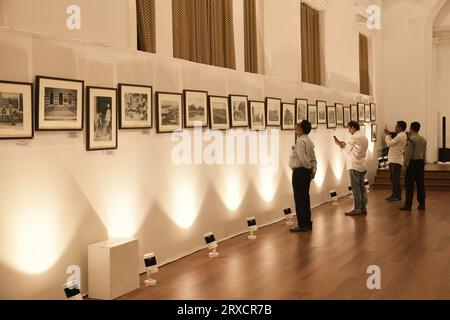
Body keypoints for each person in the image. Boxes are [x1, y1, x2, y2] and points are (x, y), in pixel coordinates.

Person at [335, 121, 369, 216]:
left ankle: (357, 209)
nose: (348, 130)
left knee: (356, 188)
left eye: (349, 128)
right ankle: (363, 208)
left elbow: (347, 151)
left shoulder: (353, 137)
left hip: (354, 165)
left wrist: (340, 145)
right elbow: (356, 150)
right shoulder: (364, 138)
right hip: (362, 164)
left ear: (353, 127)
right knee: (362, 187)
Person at [289, 120, 317, 233]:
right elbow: (313, 157)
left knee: (300, 199)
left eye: (297, 125)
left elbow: (303, 158)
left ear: (301, 129)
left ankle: (302, 224)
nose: (295, 127)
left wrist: (308, 167)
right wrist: (313, 169)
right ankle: (307, 223)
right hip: (305, 172)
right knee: (305, 198)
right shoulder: (309, 141)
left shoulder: (301, 142)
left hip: (300, 172)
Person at [400, 122, 427, 212]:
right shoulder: (422, 139)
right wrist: (424, 161)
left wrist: (405, 165)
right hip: (420, 163)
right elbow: (424, 152)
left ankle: (408, 205)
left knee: (409, 185)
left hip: (412, 164)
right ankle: (422, 204)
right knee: (420, 185)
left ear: (411, 128)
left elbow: (408, 154)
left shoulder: (411, 139)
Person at [384, 121, 408, 202]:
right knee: (393, 178)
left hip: (396, 160)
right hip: (394, 159)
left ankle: (397, 196)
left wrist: (387, 135)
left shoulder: (401, 135)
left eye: (396, 126)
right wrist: (389, 136)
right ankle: (394, 194)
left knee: (395, 179)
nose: (395, 128)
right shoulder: (401, 135)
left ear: (400, 128)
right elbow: (393, 143)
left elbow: (389, 144)